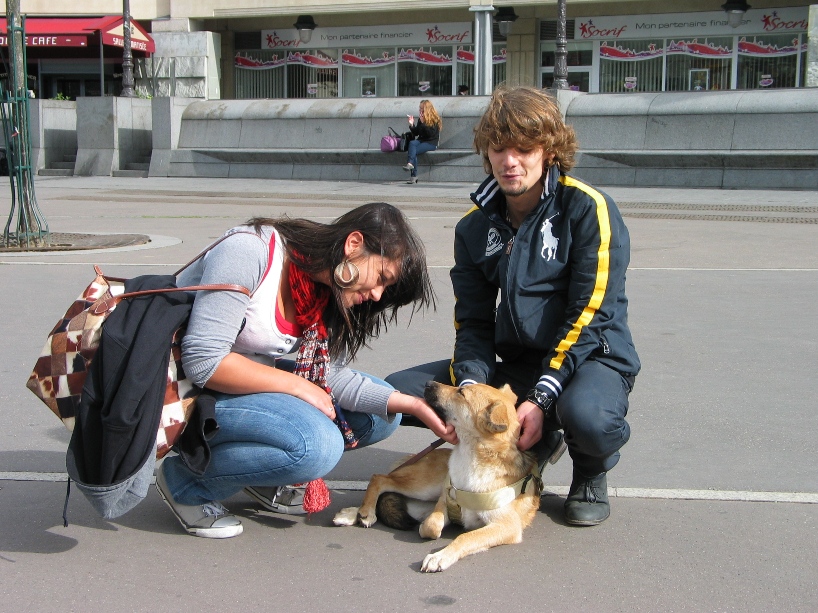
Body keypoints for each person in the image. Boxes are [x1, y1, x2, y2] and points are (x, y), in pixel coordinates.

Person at [386, 86, 640, 526]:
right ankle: (519, 449)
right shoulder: (473, 227)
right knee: (399, 392)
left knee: (588, 418)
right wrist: (469, 397)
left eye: (524, 149)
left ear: (549, 151)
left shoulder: (587, 209)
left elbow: (589, 314)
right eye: (498, 148)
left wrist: (541, 398)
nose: (510, 161)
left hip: (591, 358)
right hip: (520, 362)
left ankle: (589, 467)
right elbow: (473, 323)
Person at [156, 202, 457, 538]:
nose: (376, 294)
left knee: (380, 417)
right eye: (381, 278)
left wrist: (413, 404)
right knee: (316, 445)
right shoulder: (251, 251)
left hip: (235, 387)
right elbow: (203, 360)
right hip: (182, 393)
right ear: (353, 244)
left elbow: (328, 375)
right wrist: (299, 387)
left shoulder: (321, 290)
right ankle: (186, 480)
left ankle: (260, 476)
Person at [403, 99, 442, 184]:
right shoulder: (421, 119)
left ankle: (413, 175)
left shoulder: (435, 119)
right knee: (412, 143)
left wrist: (424, 123)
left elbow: (430, 134)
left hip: (431, 142)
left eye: (422, 109)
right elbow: (416, 132)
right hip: (421, 140)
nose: (420, 110)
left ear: (427, 109)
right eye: (419, 108)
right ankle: (410, 164)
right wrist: (411, 124)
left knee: (414, 151)